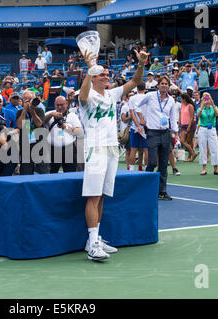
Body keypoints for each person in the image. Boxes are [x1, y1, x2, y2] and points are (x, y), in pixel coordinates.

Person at [78, 47, 148, 261]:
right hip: (95, 149)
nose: (106, 76)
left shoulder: (112, 93)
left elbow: (135, 82)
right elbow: (81, 96)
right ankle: (91, 245)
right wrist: (90, 69)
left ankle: (95, 239)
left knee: (101, 196)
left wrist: (141, 63)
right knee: (93, 196)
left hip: (111, 148)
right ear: (93, 78)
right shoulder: (87, 96)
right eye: (102, 74)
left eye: (107, 74)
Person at [137, 76, 179, 200]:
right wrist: (141, 118)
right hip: (152, 133)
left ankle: (162, 191)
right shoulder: (150, 96)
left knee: (163, 164)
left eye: (166, 84)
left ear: (168, 86)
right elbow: (137, 106)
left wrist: (175, 133)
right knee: (152, 162)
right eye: (162, 83)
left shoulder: (171, 100)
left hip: (165, 133)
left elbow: (172, 117)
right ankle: (146, 188)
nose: (164, 86)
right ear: (158, 85)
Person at [44, 96, 82, 173]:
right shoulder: (49, 114)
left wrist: (66, 127)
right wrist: (51, 114)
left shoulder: (72, 116)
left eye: (62, 104)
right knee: (52, 173)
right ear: (54, 105)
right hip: (53, 149)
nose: (60, 107)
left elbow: (79, 131)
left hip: (69, 149)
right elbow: (39, 123)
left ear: (66, 104)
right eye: (57, 105)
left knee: (70, 173)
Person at [16, 90, 47, 175]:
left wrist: (32, 110)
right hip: (26, 149)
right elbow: (19, 125)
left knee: (43, 174)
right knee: (25, 175)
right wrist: (24, 110)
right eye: (26, 100)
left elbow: (39, 124)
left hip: (39, 147)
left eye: (30, 100)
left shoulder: (39, 110)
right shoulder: (19, 112)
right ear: (22, 101)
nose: (29, 102)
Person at [196, 93, 218, 176]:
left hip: (212, 129)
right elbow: (198, 115)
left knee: (214, 148)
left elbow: (217, 114)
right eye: (204, 97)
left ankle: (216, 169)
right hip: (203, 129)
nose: (206, 99)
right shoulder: (200, 108)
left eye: (207, 97)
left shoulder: (214, 107)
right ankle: (204, 168)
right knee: (202, 148)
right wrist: (202, 106)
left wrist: (213, 103)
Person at [128, 83, 148, 171]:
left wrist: (137, 125)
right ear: (145, 88)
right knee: (146, 150)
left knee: (133, 149)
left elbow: (132, 113)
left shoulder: (132, 98)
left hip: (135, 127)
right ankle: (148, 170)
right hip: (146, 126)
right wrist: (141, 125)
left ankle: (131, 170)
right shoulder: (148, 98)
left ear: (137, 88)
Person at [178, 93, 197, 162]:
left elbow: (192, 117)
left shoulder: (190, 106)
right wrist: (179, 121)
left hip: (190, 125)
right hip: (183, 125)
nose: (180, 99)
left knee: (189, 141)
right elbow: (181, 113)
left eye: (181, 98)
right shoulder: (182, 105)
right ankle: (193, 153)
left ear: (184, 99)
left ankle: (189, 157)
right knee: (182, 141)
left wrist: (189, 127)